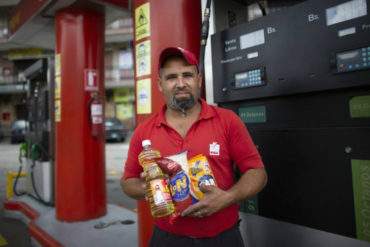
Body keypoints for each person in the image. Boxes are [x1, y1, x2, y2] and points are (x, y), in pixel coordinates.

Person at [120, 47, 268, 247]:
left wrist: (228, 197)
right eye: (171, 77)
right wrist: (149, 188)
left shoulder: (227, 120)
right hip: (167, 238)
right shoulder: (144, 131)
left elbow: (257, 172)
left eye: (187, 75)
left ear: (198, 79)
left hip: (223, 238)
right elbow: (128, 182)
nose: (180, 83)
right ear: (160, 84)